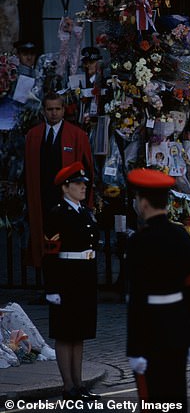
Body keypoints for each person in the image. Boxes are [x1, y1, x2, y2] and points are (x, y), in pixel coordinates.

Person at [125, 168, 190, 409]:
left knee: (153, 399)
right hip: (178, 327)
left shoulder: (139, 242)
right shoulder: (181, 237)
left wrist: (134, 348)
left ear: (144, 204)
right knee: (177, 393)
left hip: (150, 330)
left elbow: (136, 299)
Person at [42, 162, 100, 400]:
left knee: (80, 332)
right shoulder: (57, 213)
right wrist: (52, 288)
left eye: (84, 184)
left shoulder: (85, 212)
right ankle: (68, 386)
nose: (83, 188)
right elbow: (50, 252)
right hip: (66, 277)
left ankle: (79, 383)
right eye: (78, 184)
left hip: (84, 275)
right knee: (65, 333)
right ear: (65, 188)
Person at [25, 91, 94, 269]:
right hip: (42, 199)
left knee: (68, 245)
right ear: (43, 111)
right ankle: (50, 291)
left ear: (64, 110)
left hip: (67, 201)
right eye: (49, 109)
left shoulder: (77, 135)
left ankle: (65, 288)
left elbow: (88, 170)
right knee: (46, 246)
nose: (53, 113)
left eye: (57, 109)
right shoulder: (33, 136)